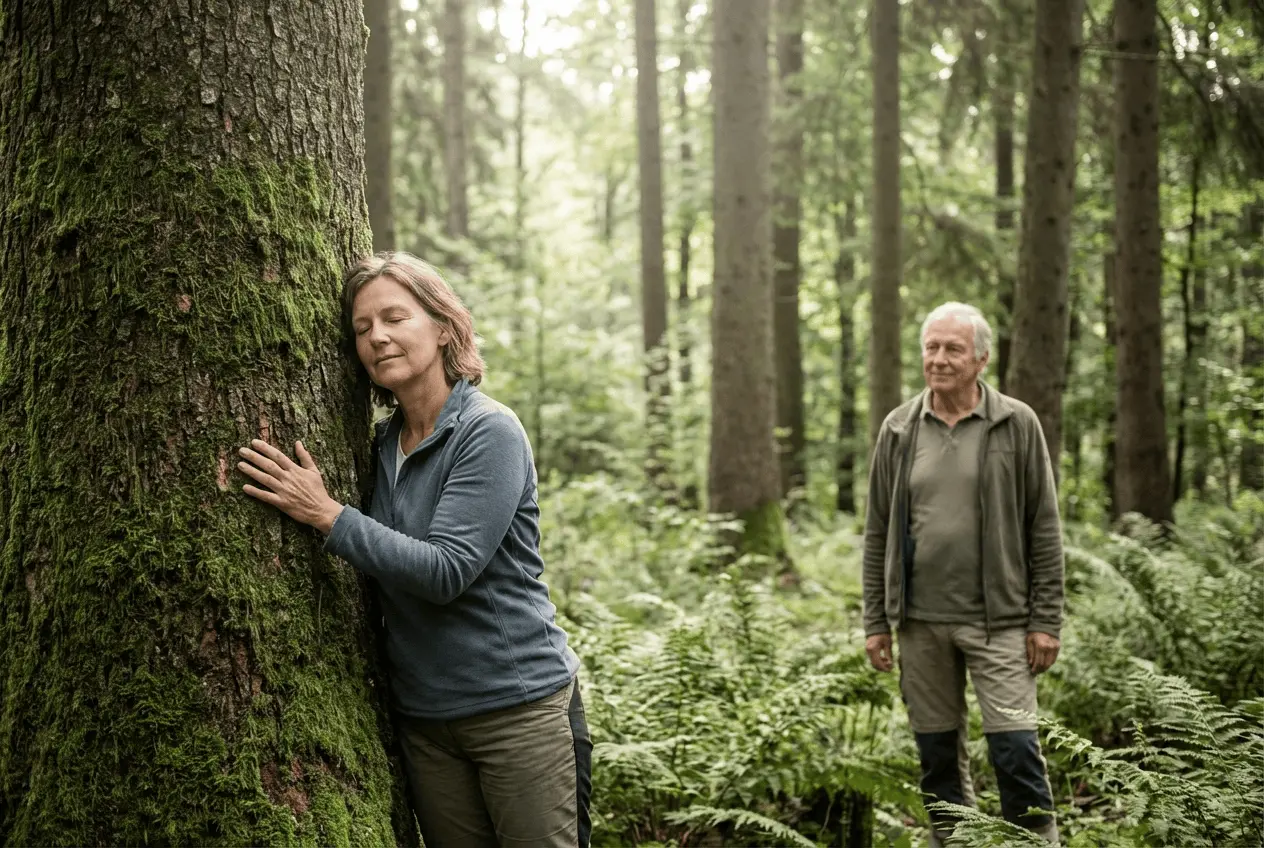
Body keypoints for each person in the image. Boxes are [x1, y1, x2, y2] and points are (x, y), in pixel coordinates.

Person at [236, 252, 591, 848]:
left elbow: (445, 570)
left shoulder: (488, 431)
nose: (377, 337)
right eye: (362, 328)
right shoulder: (377, 446)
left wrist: (325, 513)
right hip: (425, 722)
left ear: (444, 327)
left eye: (395, 317)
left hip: (518, 709)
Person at [862, 302, 1064, 846]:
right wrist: (876, 621)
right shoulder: (899, 428)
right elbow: (878, 531)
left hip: (1000, 622)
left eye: (953, 349)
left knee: (1016, 751)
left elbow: (1044, 526)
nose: (939, 359)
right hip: (920, 623)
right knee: (937, 760)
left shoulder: (1016, 423)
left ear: (981, 358)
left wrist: (1046, 620)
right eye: (931, 347)